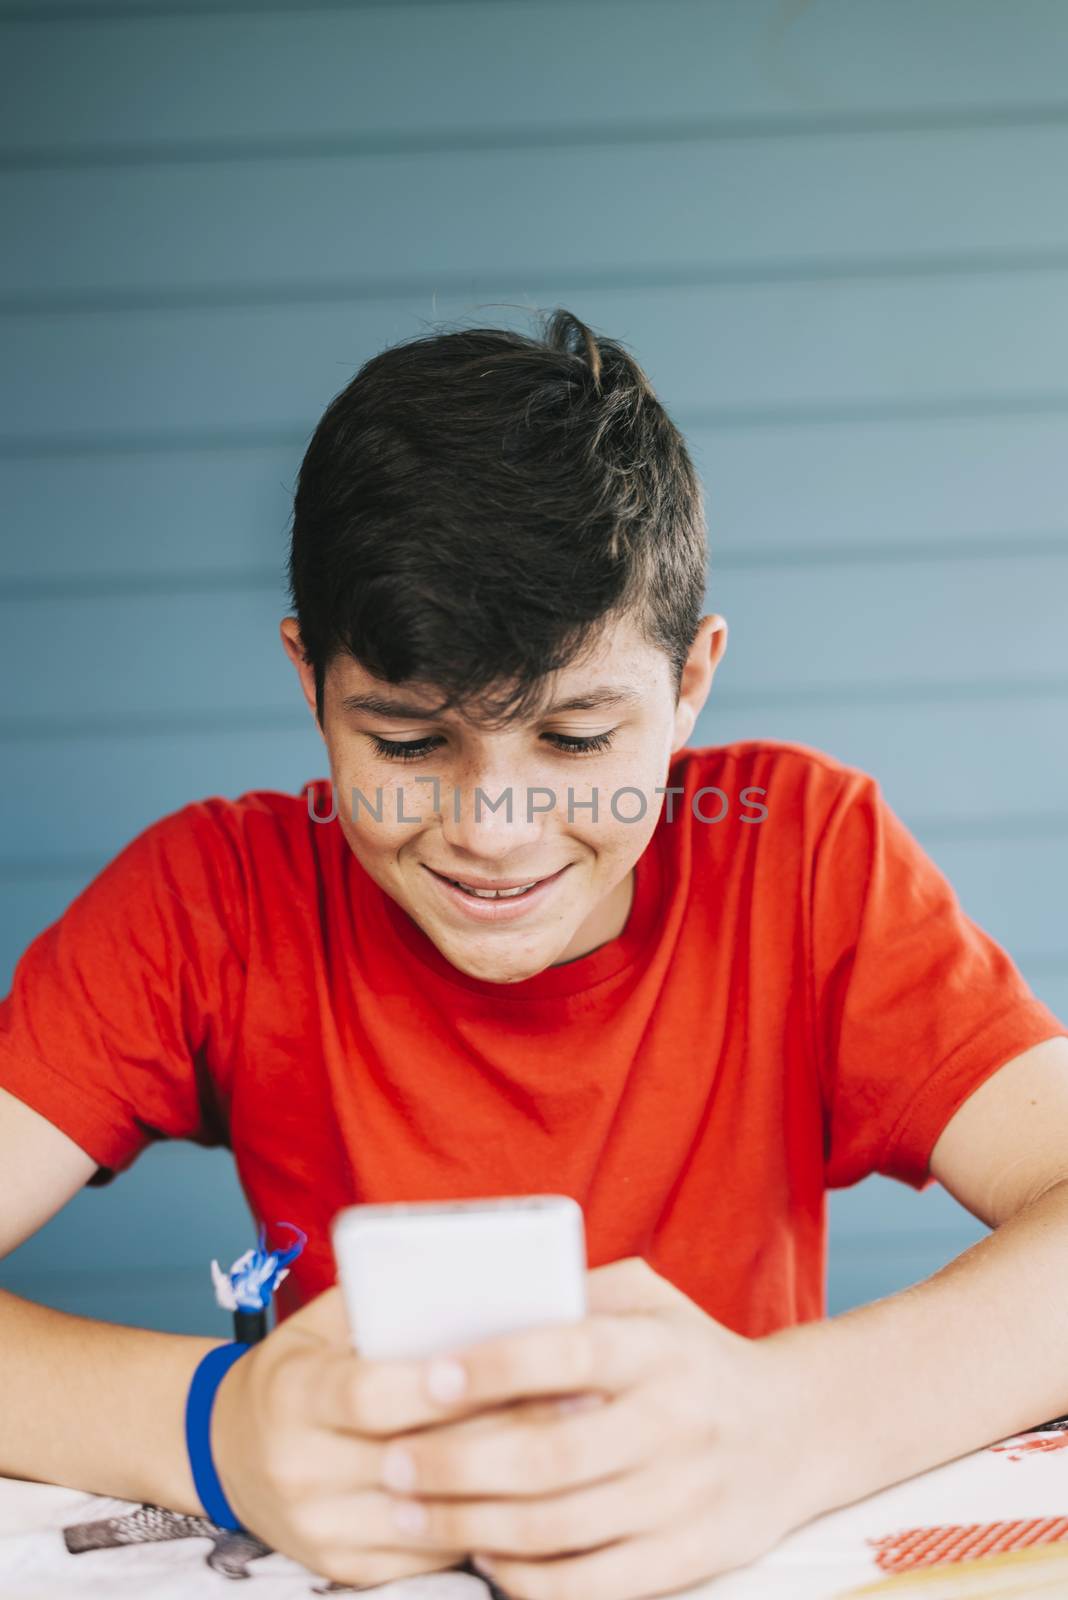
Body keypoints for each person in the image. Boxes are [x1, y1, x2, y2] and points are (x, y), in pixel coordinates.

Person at [2, 307, 1067, 1599]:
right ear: (309, 680)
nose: (494, 835)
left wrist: (798, 1425)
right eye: (404, 743)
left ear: (689, 688)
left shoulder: (802, 859)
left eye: (574, 741)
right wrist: (208, 1426)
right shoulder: (209, 903)